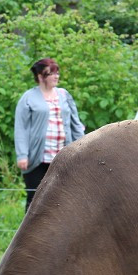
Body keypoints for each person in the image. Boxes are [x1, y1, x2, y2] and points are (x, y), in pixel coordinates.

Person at [14, 58, 85, 211]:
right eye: (51, 74)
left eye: (57, 73)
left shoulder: (64, 95)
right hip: (38, 159)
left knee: (63, 198)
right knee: (35, 200)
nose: (56, 77)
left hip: (63, 156)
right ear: (40, 77)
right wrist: (22, 155)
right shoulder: (28, 98)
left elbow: (75, 123)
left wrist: (82, 147)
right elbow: (21, 128)